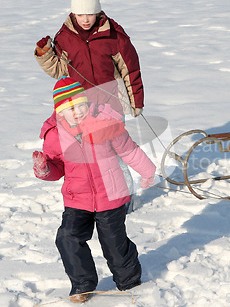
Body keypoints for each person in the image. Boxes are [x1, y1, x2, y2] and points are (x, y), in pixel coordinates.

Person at [32, 77, 155, 303]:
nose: (77, 111)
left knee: (114, 243)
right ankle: (82, 284)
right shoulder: (55, 135)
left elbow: (129, 150)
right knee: (67, 238)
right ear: (59, 111)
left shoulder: (104, 122)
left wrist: (147, 171)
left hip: (110, 196)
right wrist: (44, 168)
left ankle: (129, 282)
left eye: (80, 104)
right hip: (77, 199)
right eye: (70, 108)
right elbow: (56, 167)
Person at [34, 0, 144, 117]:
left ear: (97, 12)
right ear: (74, 13)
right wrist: (44, 54)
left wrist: (136, 102)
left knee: (116, 138)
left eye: (90, 14)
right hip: (81, 108)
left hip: (112, 106)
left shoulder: (113, 35)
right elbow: (60, 71)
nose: (85, 20)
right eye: (80, 15)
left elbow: (130, 70)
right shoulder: (65, 38)